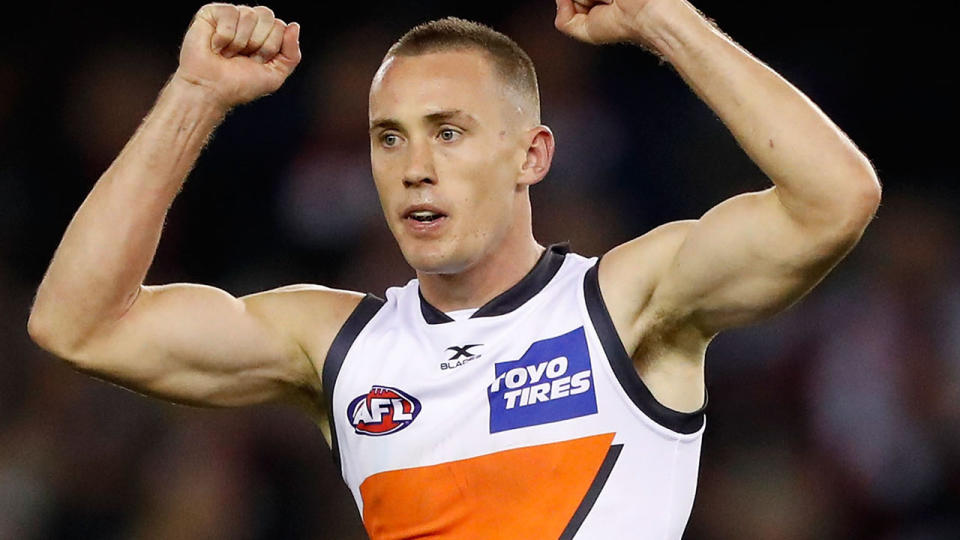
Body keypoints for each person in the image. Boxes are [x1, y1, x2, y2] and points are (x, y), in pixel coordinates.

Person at [27, 0, 881, 538]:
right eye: (388, 136)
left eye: (449, 131)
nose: (414, 166)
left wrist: (669, 20)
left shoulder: (624, 305)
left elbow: (833, 199)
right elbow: (77, 324)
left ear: (532, 154)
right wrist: (194, 94)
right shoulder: (336, 345)